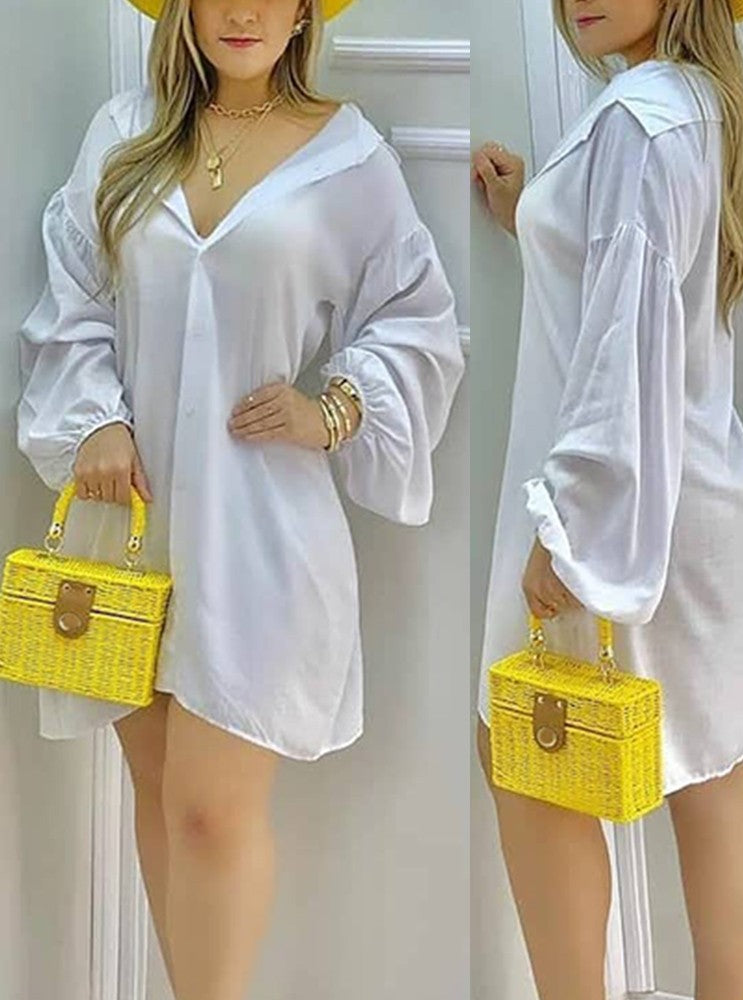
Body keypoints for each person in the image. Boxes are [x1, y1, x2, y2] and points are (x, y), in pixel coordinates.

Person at [14, 1, 465, 997]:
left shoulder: (350, 159)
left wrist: (335, 409)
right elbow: (73, 298)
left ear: (305, 11)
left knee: (212, 811)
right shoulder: (124, 132)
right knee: (160, 792)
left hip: (262, 529)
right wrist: (91, 420)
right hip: (129, 525)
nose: (244, 10)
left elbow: (419, 324)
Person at [471, 1, 743, 998]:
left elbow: (620, 348)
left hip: (627, 505)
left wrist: (566, 527)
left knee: (528, 750)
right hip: (701, 501)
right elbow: (629, 286)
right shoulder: (695, 104)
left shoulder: (637, 120)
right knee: (707, 765)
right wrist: (536, 212)